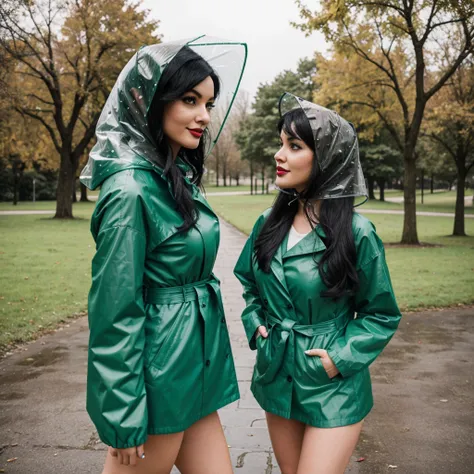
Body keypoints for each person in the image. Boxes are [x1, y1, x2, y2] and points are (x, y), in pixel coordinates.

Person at [80, 37, 247, 474]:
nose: (204, 117)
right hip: (157, 378)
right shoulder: (131, 190)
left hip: (195, 367)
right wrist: (122, 412)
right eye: (190, 100)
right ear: (150, 100)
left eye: (208, 104)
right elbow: (115, 310)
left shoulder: (174, 177)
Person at [234, 93, 402, 474]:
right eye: (281, 144)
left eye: (294, 146)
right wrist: (255, 322)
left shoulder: (357, 233)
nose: (279, 154)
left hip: (332, 381)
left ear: (326, 158)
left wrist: (338, 359)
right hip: (277, 373)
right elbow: (248, 281)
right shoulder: (268, 223)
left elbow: (381, 314)